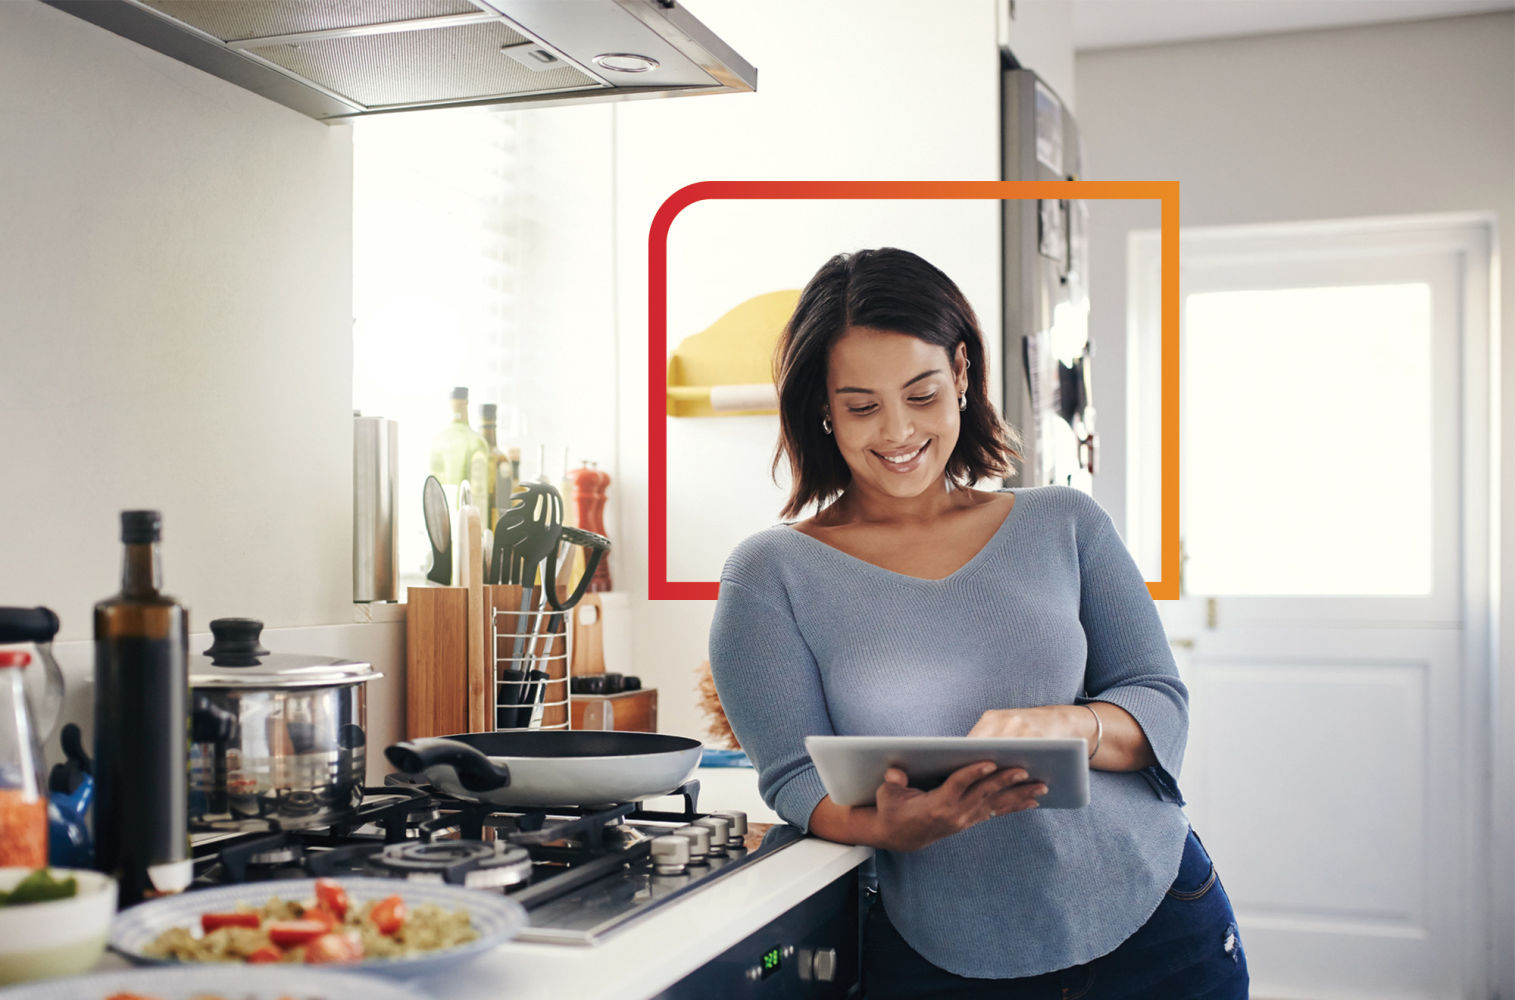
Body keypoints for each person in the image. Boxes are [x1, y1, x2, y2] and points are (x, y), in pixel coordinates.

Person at [708, 248, 1248, 999]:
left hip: (1158, 920)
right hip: (949, 959)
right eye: (861, 405)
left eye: (921, 394)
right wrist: (888, 829)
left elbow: (1158, 700)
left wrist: (1076, 725)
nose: (897, 432)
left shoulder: (1065, 522)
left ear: (961, 373)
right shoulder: (769, 574)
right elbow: (794, 778)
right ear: (822, 410)